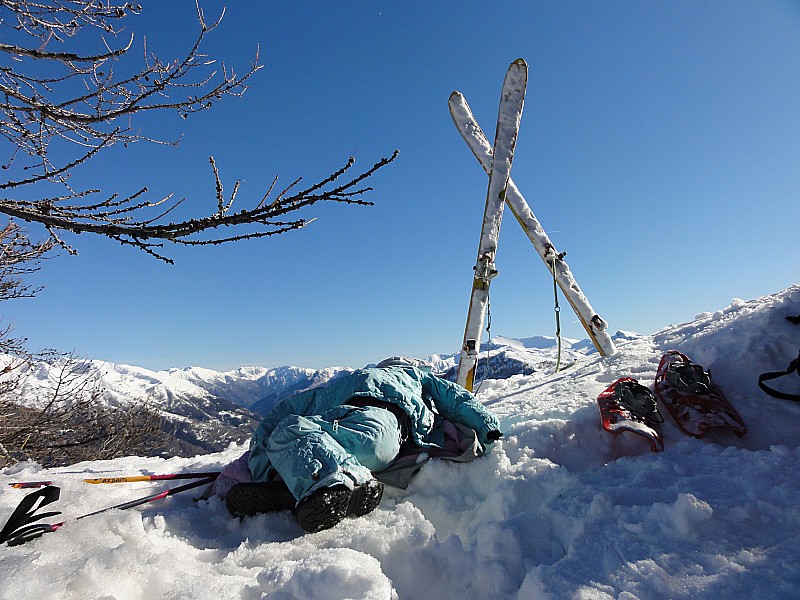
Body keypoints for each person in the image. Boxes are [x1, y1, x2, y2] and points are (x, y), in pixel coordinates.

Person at [222, 357, 502, 533]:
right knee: (301, 438)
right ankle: (304, 489)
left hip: (368, 423)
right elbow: (455, 398)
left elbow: (287, 411)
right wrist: (486, 425)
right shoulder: (416, 377)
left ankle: (332, 481)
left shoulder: (356, 379)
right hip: (385, 435)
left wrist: (260, 461)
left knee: (290, 431)